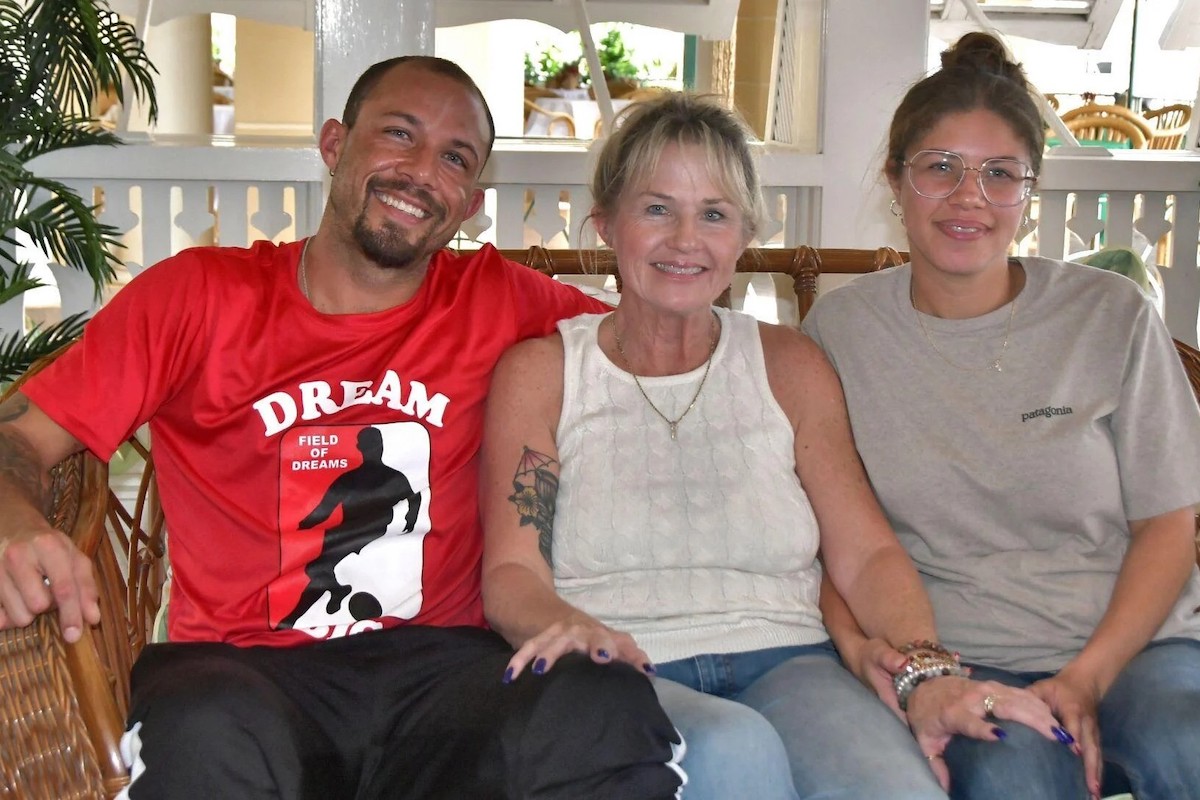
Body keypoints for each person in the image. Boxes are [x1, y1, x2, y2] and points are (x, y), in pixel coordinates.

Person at [0, 56, 686, 799]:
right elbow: (20, 437)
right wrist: (11, 520)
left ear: (471, 202)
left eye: (454, 158)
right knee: (203, 736)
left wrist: (679, 238)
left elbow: (663, 350)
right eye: (399, 135)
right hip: (244, 674)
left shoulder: (500, 301)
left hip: (450, 672)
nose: (422, 171)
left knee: (600, 702)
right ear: (335, 145)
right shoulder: (196, 296)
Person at [478, 91, 1064, 800]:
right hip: (623, 668)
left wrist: (928, 674)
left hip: (793, 664)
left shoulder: (788, 364)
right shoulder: (543, 372)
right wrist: (571, 630)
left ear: (745, 234)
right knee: (736, 755)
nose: (686, 239)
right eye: (656, 208)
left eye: (715, 214)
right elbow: (512, 571)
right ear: (605, 224)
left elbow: (866, 551)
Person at [802, 32, 1200, 800]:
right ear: (896, 179)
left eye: (1000, 174)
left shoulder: (1108, 315)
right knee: (1015, 771)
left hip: (1135, 649)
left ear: (1031, 190)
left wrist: (1087, 676)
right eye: (940, 169)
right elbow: (820, 541)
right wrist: (899, 665)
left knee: (1190, 740)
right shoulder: (838, 337)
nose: (968, 197)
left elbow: (1170, 523)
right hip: (956, 663)